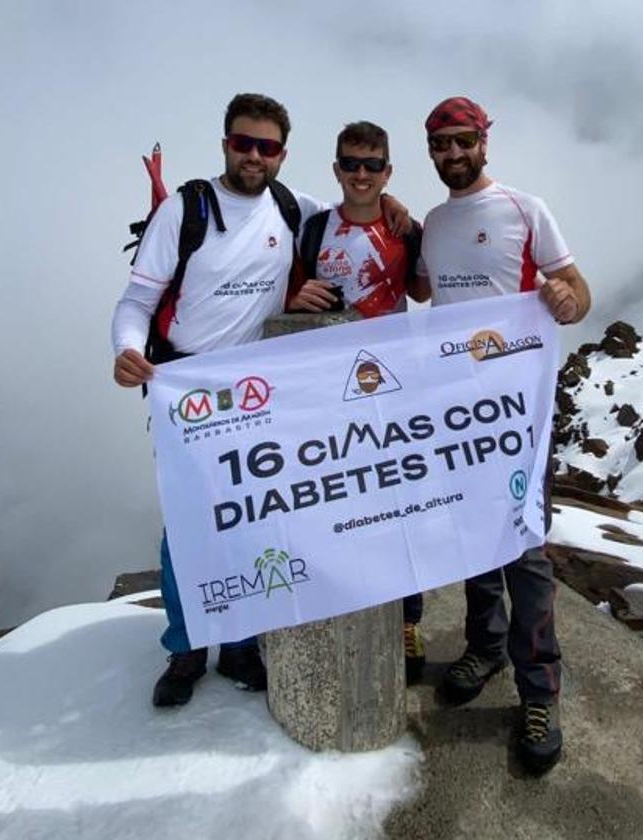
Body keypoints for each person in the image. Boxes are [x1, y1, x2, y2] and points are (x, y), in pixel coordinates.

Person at [111, 93, 411, 708]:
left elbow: (352, 208)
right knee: (191, 524)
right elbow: (136, 301)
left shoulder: (289, 206)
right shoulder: (183, 211)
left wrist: (391, 204)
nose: (254, 156)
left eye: (267, 147)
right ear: (225, 143)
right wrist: (126, 349)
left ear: (282, 154)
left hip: (262, 390)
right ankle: (187, 646)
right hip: (190, 385)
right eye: (244, 143)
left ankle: (242, 641)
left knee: (254, 515)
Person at [417, 95, 592, 774]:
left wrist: (567, 300)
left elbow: (576, 289)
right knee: (469, 536)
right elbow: (426, 293)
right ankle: (484, 646)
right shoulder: (432, 223)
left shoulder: (525, 209)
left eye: (464, 141)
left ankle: (539, 689)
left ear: (484, 142)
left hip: (519, 413)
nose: (453, 155)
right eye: (441, 146)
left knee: (523, 547)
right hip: (455, 412)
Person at [285, 120, 430, 684]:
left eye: (374, 166)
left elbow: (420, 290)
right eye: (352, 164)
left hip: (392, 387)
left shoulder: (406, 231)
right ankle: (337, 595)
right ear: (336, 169)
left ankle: (406, 618)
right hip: (326, 386)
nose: (362, 175)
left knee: (400, 503)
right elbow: (293, 292)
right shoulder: (315, 228)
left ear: (388, 172)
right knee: (334, 499)